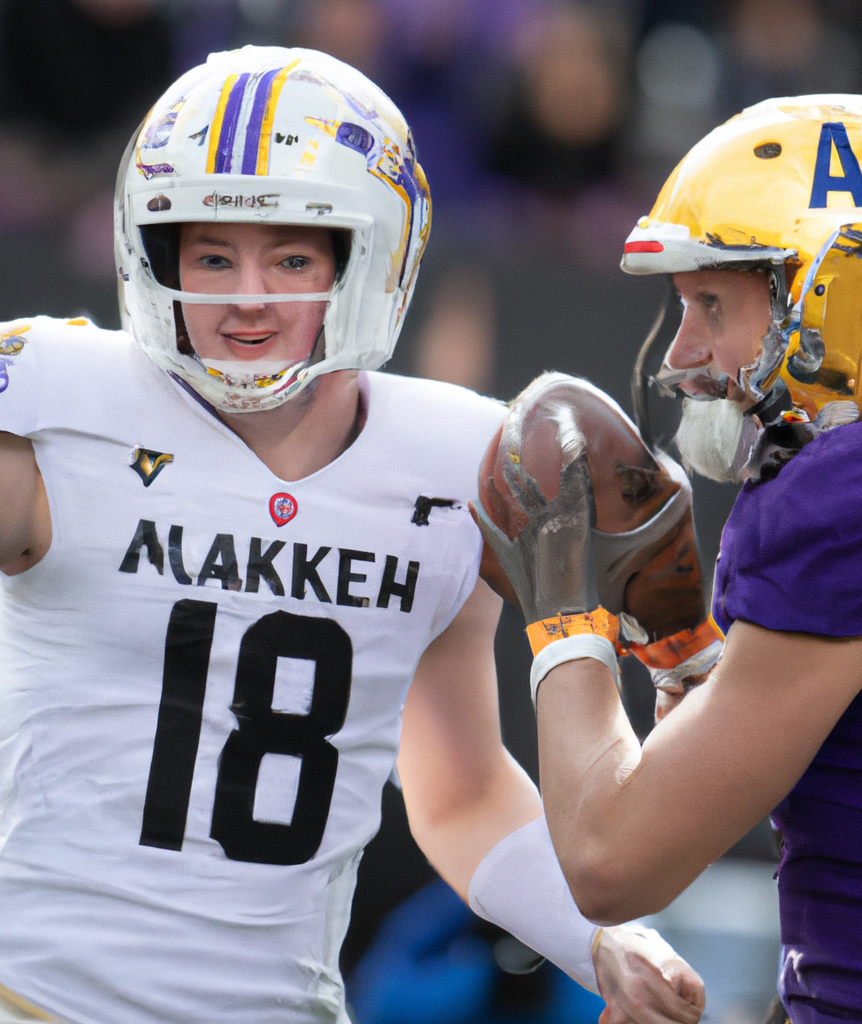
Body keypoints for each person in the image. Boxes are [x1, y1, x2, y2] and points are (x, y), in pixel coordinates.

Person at [0, 46, 706, 1024]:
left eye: (291, 255)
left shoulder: (455, 457)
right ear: (151, 253)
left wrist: (597, 939)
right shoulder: (54, 401)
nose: (247, 295)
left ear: (369, 258)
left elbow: (456, 792)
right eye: (211, 254)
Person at [475, 94, 862, 1024]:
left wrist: (564, 605)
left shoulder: (854, 504)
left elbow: (611, 864)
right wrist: (687, 653)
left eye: (713, 304)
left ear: (856, 297)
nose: (683, 352)